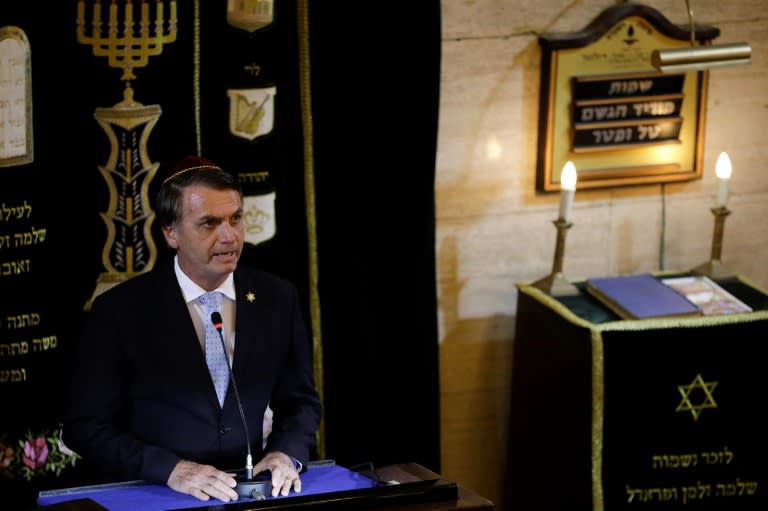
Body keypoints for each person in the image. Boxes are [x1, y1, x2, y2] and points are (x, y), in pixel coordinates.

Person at [63, 155, 322, 503]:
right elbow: (85, 428)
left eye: (235, 219)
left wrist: (285, 453)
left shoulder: (277, 298)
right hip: (156, 495)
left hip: (248, 495)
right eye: (209, 223)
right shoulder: (119, 311)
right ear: (171, 232)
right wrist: (170, 469)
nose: (228, 236)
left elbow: (299, 402)